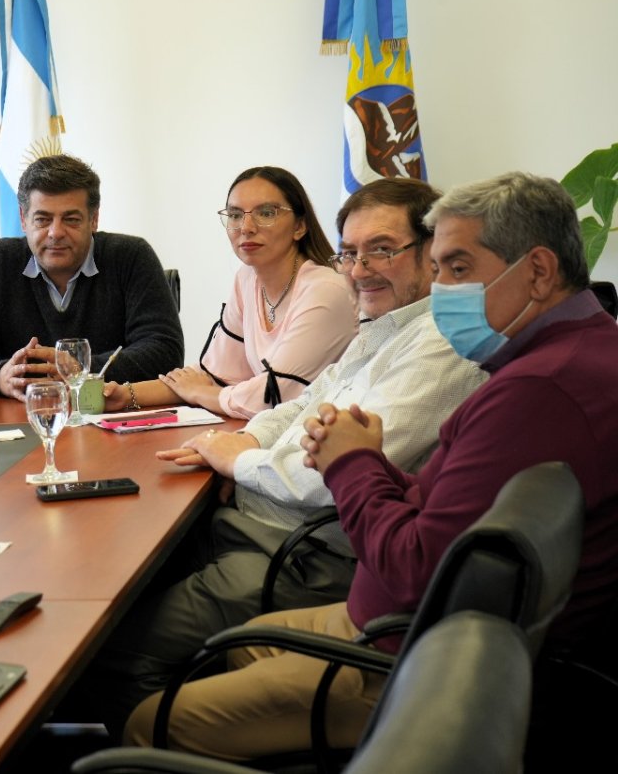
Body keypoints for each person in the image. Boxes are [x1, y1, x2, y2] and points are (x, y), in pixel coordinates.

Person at [123, 171, 618, 761]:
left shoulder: (539, 387)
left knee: (147, 720)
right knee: (238, 648)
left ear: (537, 271)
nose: (443, 287)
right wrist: (352, 463)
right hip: (396, 615)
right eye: (440, 267)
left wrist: (353, 461)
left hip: (411, 658)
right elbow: (437, 499)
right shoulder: (566, 352)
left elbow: (415, 568)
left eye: (457, 268)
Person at [70, 177, 486, 734]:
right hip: (260, 524)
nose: (360, 269)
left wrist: (237, 461)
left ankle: (169, 746)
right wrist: (245, 443)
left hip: (309, 551)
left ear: (432, 254)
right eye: (350, 253)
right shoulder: (386, 324)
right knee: (109, 581)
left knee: (108, 650)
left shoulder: (440, 345)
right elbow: (303, 402)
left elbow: (328, 477)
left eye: (382, 250)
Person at [103, 167, 358, 418]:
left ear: (300, 226)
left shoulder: (326, 290)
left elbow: (274, 396)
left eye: (266, 213)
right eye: (235, 215)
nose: (246, 227)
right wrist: (126, 395)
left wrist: (199, 393)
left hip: (323, 435)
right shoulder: (247, 279)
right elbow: (215, 375)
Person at [0, 154, 184, 399]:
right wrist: (0, 376)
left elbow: (166, 352)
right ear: (23, 219)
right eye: (42, 219)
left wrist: (79, 371)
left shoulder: (131, 257)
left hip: (110, 413)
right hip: (22, 415)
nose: (55, 232)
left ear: (94, 219)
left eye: (71, 219)